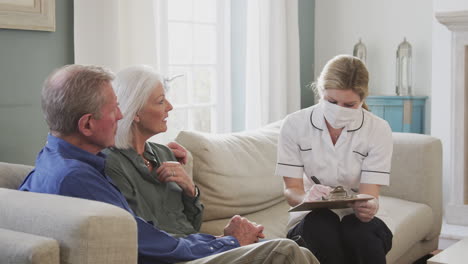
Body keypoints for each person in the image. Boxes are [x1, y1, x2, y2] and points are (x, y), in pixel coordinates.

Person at [19, 64, 319, 264]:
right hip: (169, 257)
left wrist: (192, 194)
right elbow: (151, 244)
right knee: (285, 250)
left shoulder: (53, 161)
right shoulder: (80, 177)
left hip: (180, 246)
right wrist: (226, 242)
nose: (120, 116)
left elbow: (172, 230)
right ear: (86, 125)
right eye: (114, 110)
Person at [275, 55, 394, 264]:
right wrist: (307, 198)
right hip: (310, 220)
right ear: (320, 92)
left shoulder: (378, 129)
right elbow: (291, 189)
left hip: (357, 220)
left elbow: (370, 192)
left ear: (362, 100)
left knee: (360, 232)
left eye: (349, 105)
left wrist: (369, 206)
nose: (339, 109)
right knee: (321, 222)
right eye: (331, 102)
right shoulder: (294, 125)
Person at [103, 65, 203, 237]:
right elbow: (146, 235)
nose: (170, 107)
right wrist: (224, 242)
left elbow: (192, 227)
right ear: (135, 112)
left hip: (196, 248)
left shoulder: (166, 154)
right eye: (160, 101)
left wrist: (190, 189)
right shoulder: (112, 163)